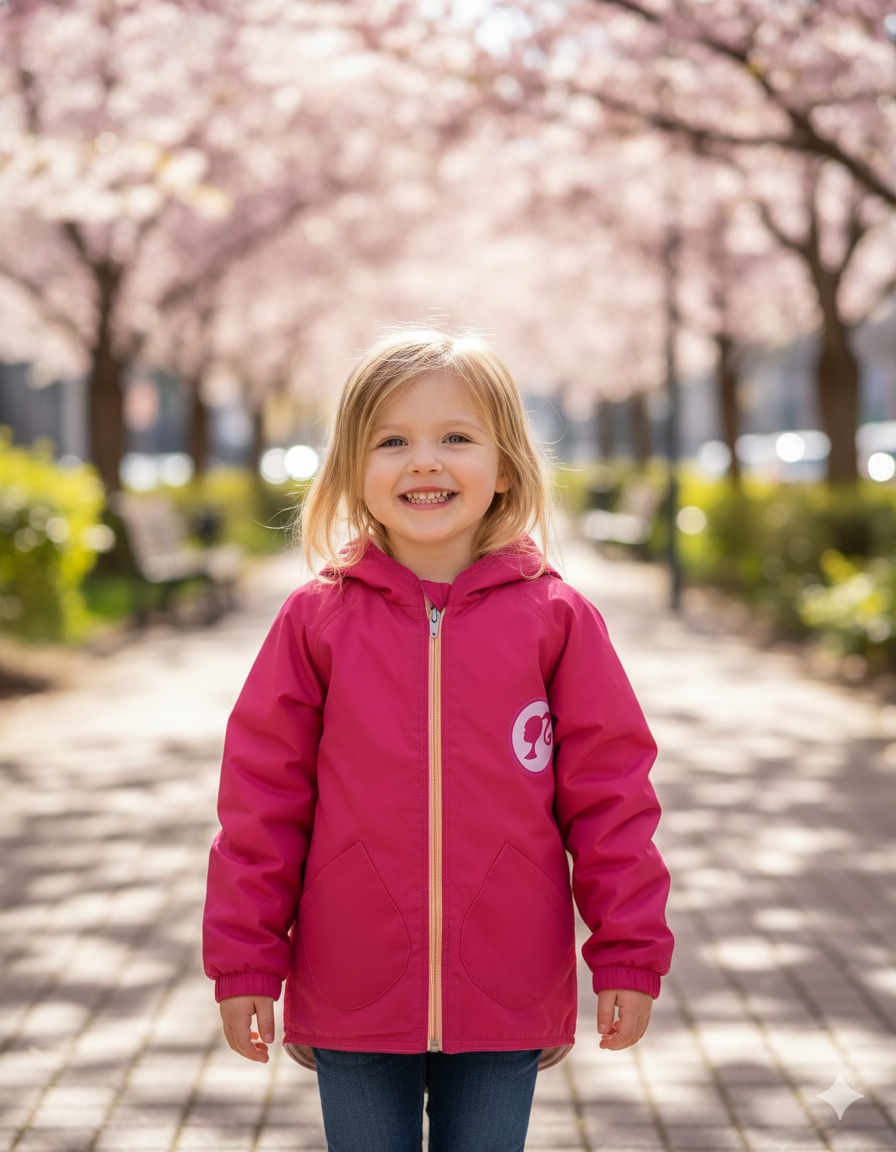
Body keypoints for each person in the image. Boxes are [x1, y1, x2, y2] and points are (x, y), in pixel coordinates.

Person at [203, 329, 673, 1152]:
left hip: (508, 982)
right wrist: (246, 963)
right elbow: (260, 804)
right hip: (349, 980)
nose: (425, 461)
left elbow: (612, 799)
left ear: (506, 468)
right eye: (393, 441)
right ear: (353, 467)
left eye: (456, 438)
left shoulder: (557, 620)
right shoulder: (316, 622)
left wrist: (627, 954)